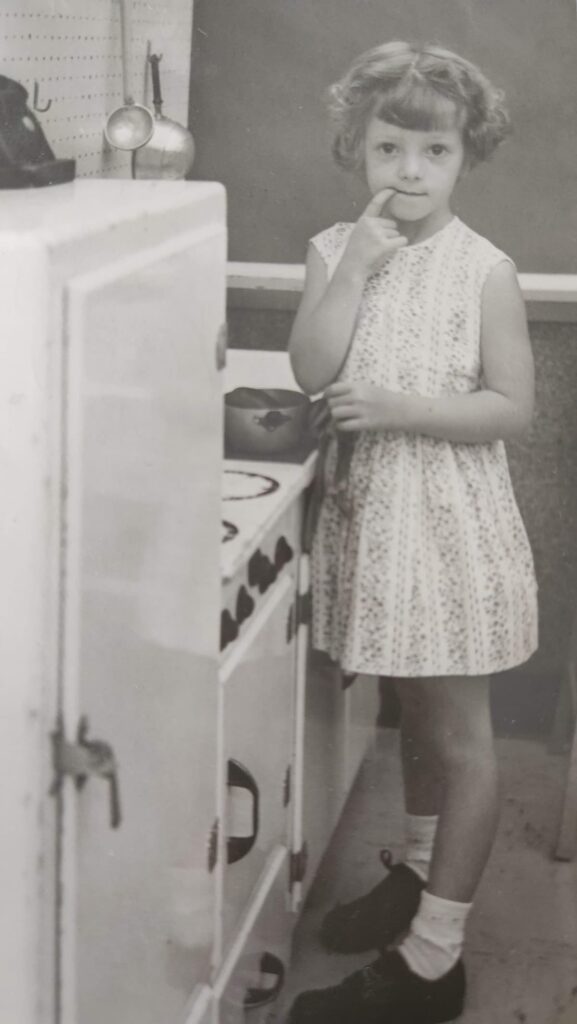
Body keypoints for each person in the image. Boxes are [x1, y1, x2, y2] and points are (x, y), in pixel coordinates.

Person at [287, 40, 538, 1024]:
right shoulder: (327, 249)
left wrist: (392, 404)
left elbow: (510, 407)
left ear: (464, 156)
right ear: (357, 146)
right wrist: (351, 265)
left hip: (450, 532)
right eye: (389, 148)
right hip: (371, 529)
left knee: (460, 738)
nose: (408, 172)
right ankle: (420, 872)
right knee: (413, 721)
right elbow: (312, 366)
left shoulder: (485, 270)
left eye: (432, 154)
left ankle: (435, 959)